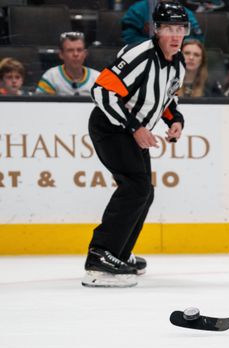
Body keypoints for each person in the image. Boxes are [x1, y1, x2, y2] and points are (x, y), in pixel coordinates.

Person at [83, 1, 188, 288]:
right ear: (156, 30)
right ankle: (100, 256)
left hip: (132, 132)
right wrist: (134, 127)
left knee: (144, 192)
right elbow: (102, 91)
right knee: (135, 188)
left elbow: (167, 99)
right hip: (111, 127)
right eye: (168, 28)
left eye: (181, 28)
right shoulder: (140, 54)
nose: (175, 35)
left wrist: (175, 120)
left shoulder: (178, 62)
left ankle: (118, 253)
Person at [36, 32, 100, 97]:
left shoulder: (98, 79)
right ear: (61, 54)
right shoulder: (51, 77)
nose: (75, 54)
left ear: (85, 53)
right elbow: (42, 105)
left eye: (79, 50)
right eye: (70, 50)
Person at [122, 0, 204, 45]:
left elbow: (197, 40)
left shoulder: (185, 13)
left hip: (176, 58)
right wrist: (156, 45)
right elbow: (128, 39)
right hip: (143, 58)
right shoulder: (137, 10)